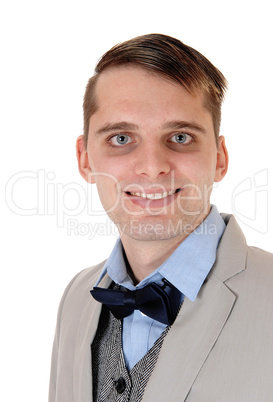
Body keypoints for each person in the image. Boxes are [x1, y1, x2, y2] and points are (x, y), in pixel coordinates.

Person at [49, 34, 273, 402]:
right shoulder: (76, 297)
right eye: (121, 138)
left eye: (180, 137)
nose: (153, 168)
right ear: (85, 159)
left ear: (219, 159)